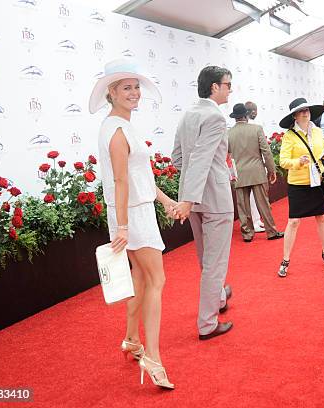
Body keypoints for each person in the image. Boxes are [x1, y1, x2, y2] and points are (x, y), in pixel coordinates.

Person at [88, 59, 175, 389]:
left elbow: (137, 176)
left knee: (141, 277)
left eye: (136, 86)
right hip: (132, 215)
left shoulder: (119, 125)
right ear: (111, 92)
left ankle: (131, 340)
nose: (135, 92)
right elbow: (121, 181)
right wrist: (123, 227)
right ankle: (152, 356)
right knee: (156, 279)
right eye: (126, 87)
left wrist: (165, 200)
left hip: (135, 211)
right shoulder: (115, 130)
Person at [171, 66, 234, 341]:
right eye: (227, 84)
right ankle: (207, 324)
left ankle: (219, 296)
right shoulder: (216, 118)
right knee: (215, 263)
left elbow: (178, 159)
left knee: (206, 258)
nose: (230, 89)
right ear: (214, 88)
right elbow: (201, 159)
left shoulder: (187, 115)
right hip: (213, 198)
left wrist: (189, 195)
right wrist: (188, 198)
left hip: (194, 197)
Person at [277, 97, 324, 277]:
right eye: (302, 111)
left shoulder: (317, 131)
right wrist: (297, 162)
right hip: (298, 183)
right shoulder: (289, 135)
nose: (306, 113)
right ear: (294, 116)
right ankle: (285, 260)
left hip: (317, 180)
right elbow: (283, 161)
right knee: (293, 222)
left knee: (322, 218)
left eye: (307, 110)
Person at [227, 103, 284, 242]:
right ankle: (271, 231)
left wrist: (231, 174)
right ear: (246, 115)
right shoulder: (257, 129)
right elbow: (266, 151)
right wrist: (272, 170)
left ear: (235, 118)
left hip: (239, 174)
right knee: (263, 204)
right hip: (257, 172)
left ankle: (247, 234)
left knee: (243, 206)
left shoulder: (228, 133)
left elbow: (226, 155)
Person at [245, 100, 266, 233]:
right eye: (254, 110)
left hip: (247, 167)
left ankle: (257, 220)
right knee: (252, 197)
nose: (255, 112)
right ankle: (254, 221)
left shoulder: (246, 126)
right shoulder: (255, 127)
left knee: (252, 196)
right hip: (254, 166)